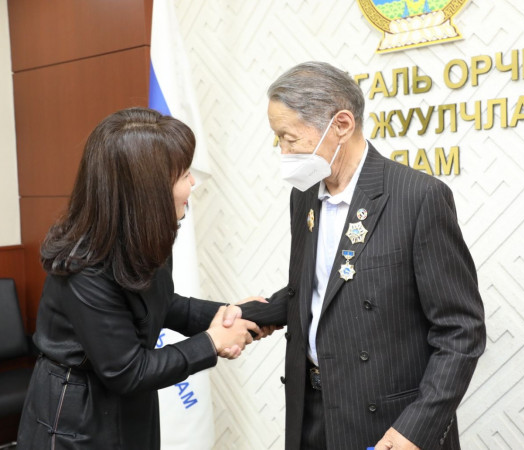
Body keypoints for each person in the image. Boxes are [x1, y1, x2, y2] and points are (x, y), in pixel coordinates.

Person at [224, 62, 486, 449]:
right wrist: (245, 314)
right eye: (277, 139)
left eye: (289, 138)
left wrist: (417, 427)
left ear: (342, 125)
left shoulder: (417, 197)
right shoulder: (304, 196)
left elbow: (461, 330)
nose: (283, 151)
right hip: (312, 412)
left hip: (390, 422)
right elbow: (320, 289)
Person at [17, 107, 262, 449]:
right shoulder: (84, 266)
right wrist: (212, 342)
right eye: (184, 174)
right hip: (77, 417)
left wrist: (231, 314)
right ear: (148, 190)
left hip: (130, 404)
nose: (192, 183)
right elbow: (127, 370)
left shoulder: (143, 236)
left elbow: (161, 304)